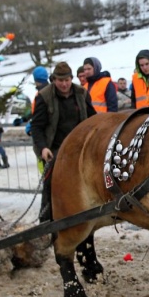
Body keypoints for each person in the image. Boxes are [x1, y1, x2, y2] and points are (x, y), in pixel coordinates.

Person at [31, 62, 97, 222]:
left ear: (71, 79)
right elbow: (37, 127)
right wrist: (43, 148)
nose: (64, 84)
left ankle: (85, 220)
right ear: (54, 80)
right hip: (55, 149)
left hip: (79, 148)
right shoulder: (44, 97)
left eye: (67, 80)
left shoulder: (81, 93)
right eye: (60, 80)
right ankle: (46, 222)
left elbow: (93, 119)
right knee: (51, 186)